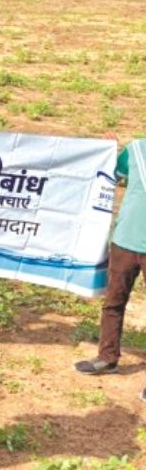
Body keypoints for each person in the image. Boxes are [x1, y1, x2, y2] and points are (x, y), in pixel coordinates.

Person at [75, 135, 146, 389]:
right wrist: (108, 151)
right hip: (125, 240)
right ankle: (107, 357)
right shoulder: (136, 149)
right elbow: (112, 174)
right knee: (113, 302)